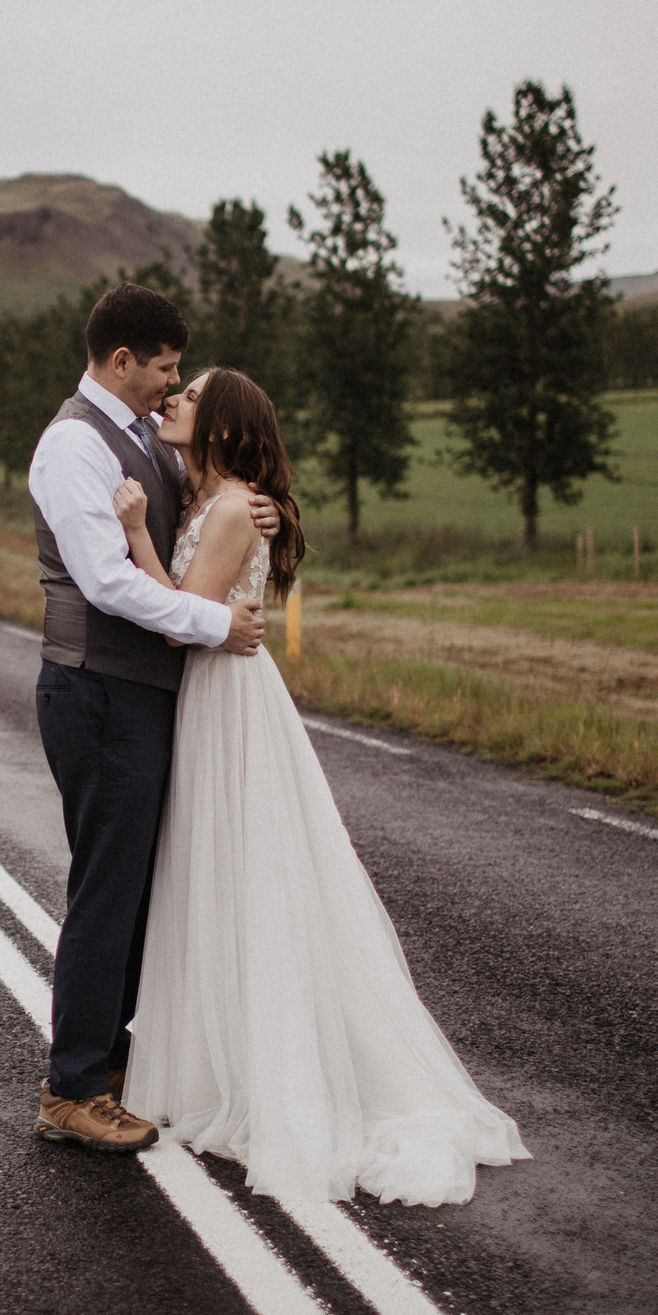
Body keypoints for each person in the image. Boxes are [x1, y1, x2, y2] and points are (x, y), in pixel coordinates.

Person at [110, 367, 530, 1204]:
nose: (174, 399)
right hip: (212, 694)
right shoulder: (214, 497)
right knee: (216, 873)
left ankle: (272, 1070)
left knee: (249, 873)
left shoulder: (232, 508)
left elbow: (183, 619)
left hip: (227, 698)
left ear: (220, 426)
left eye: (191, 396)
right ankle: (217, 1054)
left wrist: (134, 536)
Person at [25, 284, 276, 1153]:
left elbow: (201, 512)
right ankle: (72, 1088)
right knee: (108, 888)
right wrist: (214, 622)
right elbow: (106, 582)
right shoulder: (72, 446)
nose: (172, 384)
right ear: (122, 359)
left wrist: (251, 509)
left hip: (142, 693)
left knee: (138, 888)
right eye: (165, 368)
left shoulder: (142, 438)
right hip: (95, 689)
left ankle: (110, 1058)